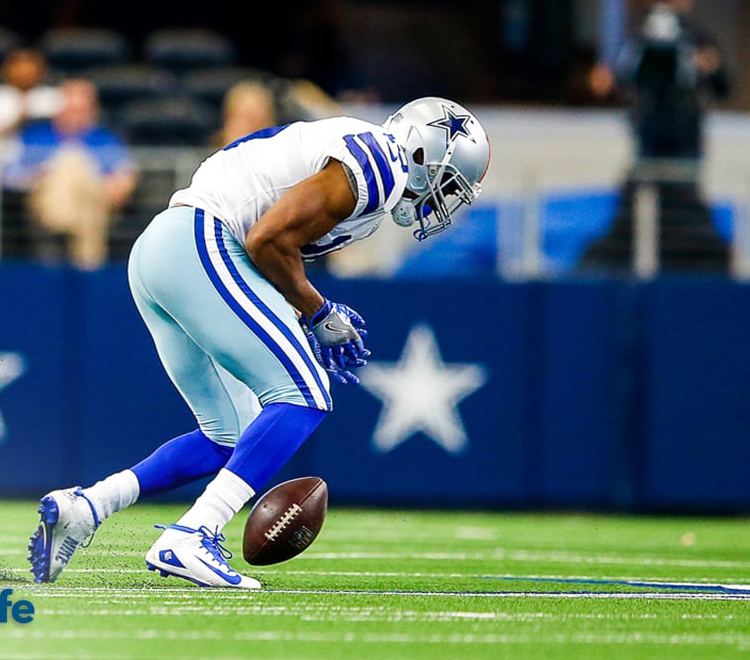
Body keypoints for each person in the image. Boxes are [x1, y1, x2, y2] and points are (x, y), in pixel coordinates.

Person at [26, 97, 491, 588]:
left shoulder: (370, 170)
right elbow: (267, 241)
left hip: (168, 249)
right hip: (200, 241)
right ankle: (193, 533)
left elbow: (265, 249)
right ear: (424, 156)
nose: (444, 199)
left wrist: (304, 312)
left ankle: (88, 506)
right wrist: (319, 311)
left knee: (230, 437)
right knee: (304, 396)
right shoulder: (381, 165)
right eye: (448, 182)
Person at [580, 0, 731, 275]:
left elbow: (723, 88)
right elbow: (617, 84)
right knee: (642, 205)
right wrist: (605, 83)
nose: (665, 8)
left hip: (684, 140)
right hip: (649, 138)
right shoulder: (636, 42)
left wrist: (711, 68)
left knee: (683, 208)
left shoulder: (699, 39)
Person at [0, 78, 138, 269]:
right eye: (70, 110)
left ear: (93, 111)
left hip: (96, 202)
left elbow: (126, 177)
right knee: (69, 163)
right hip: (42, 203)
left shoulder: (106, 140)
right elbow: (9, 175)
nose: (75, 116)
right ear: (59, 110)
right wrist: (41, 173)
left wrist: (112, 186)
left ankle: (65, 229)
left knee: (75, 165)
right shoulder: (36, 136)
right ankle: (87, 268)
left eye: (81, 111)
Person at [0, 48, 63, 144]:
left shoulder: (55, 96)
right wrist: (16, 122)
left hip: (47, 156)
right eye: (18, 67)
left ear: (42, 70)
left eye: (29, 67)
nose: (24, 72)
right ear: (7, 69)